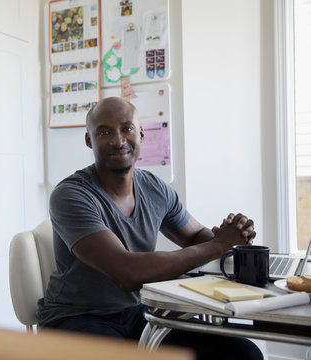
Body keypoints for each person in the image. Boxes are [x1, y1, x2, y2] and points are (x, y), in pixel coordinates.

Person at [36, 97, 263, 360]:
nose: (118, 140)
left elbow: (195, 237)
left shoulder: (155, 188)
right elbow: (126, 273)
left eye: (127, 129)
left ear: (141, 134)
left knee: (243, 353)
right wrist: (217, 245)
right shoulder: (70, 195)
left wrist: (231, 236)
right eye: (104, 132)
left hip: (139, 312)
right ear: (89, 140)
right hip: (77, 318)